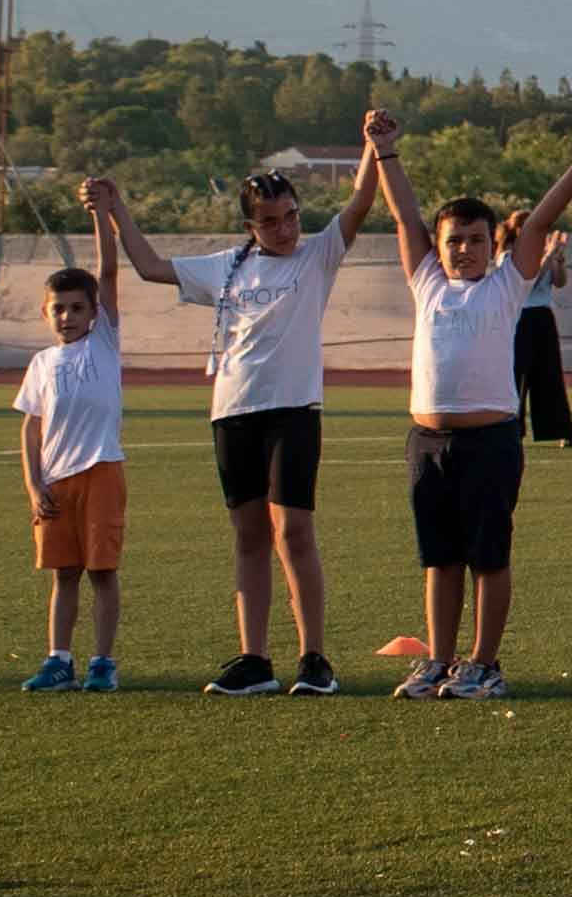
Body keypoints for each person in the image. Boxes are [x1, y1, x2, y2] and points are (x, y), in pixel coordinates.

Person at [87, 146, 379, 695]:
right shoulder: (227, 266)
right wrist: (115, 207)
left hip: (293, 412)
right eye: (270, 221)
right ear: (251, 225)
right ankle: (255, 659)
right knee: (248, 536)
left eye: (291, 215)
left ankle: (314, 658)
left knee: (293, 532)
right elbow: (149, 266)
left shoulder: (317, 256)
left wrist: (372, 147)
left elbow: (361, 202)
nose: (284, 228)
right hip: (233, 413)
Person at [375, 120, 572, 699]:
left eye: (476, 240)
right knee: (439, 559)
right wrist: (385, 151)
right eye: (454, 240)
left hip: (489, 441)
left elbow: (544, 216)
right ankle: (439, 660)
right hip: (427, 441)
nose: (463, 250)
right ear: (440, 243)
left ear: (492, 245)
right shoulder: (426, 280)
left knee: (487, 557)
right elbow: (405, 215)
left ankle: (484, 663)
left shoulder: (505, 286)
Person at [18, 237, 127, 693]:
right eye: (58, 309)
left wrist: (100, 215)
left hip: (101, 472)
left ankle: (102, 663)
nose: (67, 317)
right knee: (64, 573)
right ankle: (59, 660)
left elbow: (108, 272)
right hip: (56, 481)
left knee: (102, 571)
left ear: (94, 313)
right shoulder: (42, 363)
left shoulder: (103, 343)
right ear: (46, 314)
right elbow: (31, 428)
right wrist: (33, 485)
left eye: (77, 308)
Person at [514, 234, 572, 449]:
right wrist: (549, 254)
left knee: (551, 374)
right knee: (519, 376)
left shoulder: (544, 257)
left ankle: (564, 432)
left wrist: (557, 260)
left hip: (543, 316)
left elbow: (560, 282)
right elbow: (528, 284)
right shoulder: (509, 258)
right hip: (522, 318)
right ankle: (513, 431)